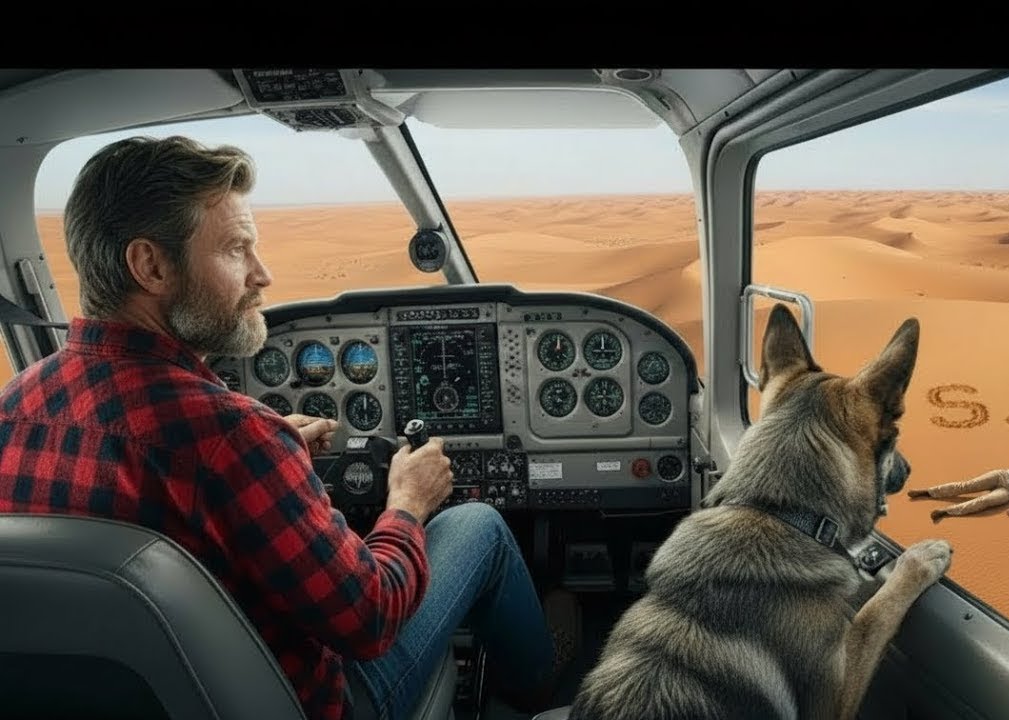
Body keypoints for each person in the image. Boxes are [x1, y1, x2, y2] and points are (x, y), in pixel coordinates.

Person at [0, 136, 578, 720]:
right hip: (303, 701)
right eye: (236, 250)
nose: (264, 274)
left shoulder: (14, 405)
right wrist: (407, 503)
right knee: (477, 524)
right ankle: (538, 685)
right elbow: (371, 617)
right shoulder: (231, 438)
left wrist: (275, 457)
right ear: (150, 265)